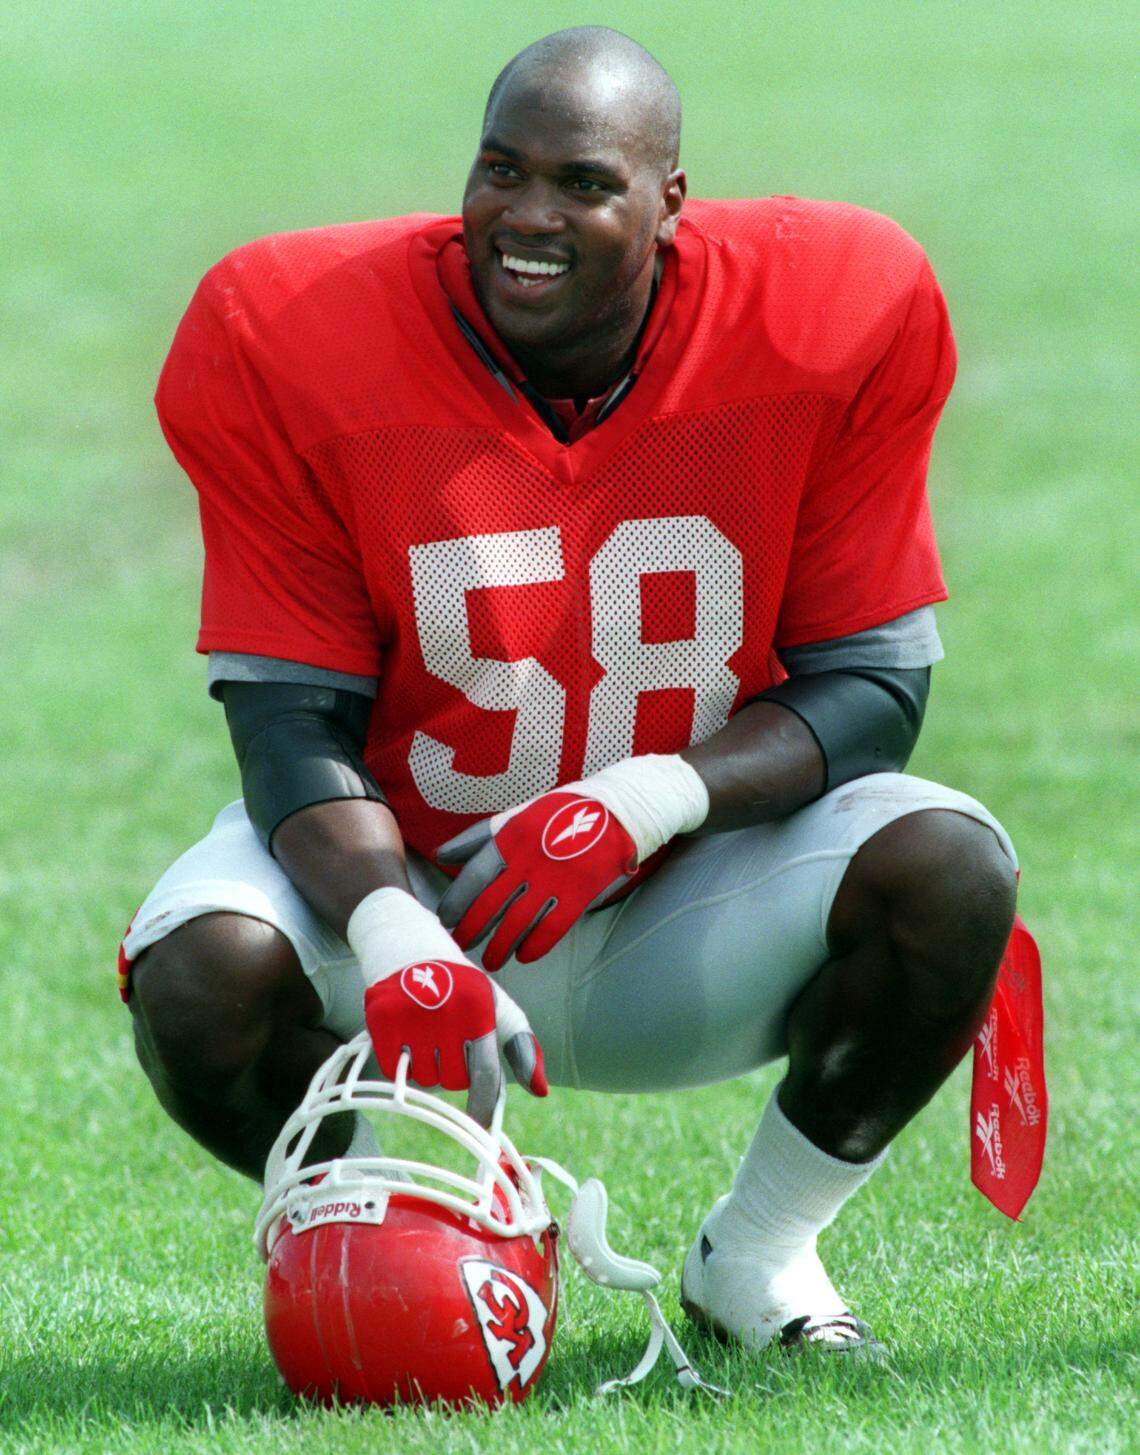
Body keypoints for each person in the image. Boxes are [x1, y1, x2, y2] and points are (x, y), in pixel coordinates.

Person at [122, 27, 1022, 1355]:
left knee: (949, 864)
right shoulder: (292, 336)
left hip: (687, 900)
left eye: (584, 184)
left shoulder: (828, 310)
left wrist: (643, 802)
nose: (529, 217)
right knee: (199, 973)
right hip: (420, 887)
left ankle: (760, 1258)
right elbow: (289, 720)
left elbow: (874, 688)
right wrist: (390, 926)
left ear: (669, 202)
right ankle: (433, 1225)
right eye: (502, 171)